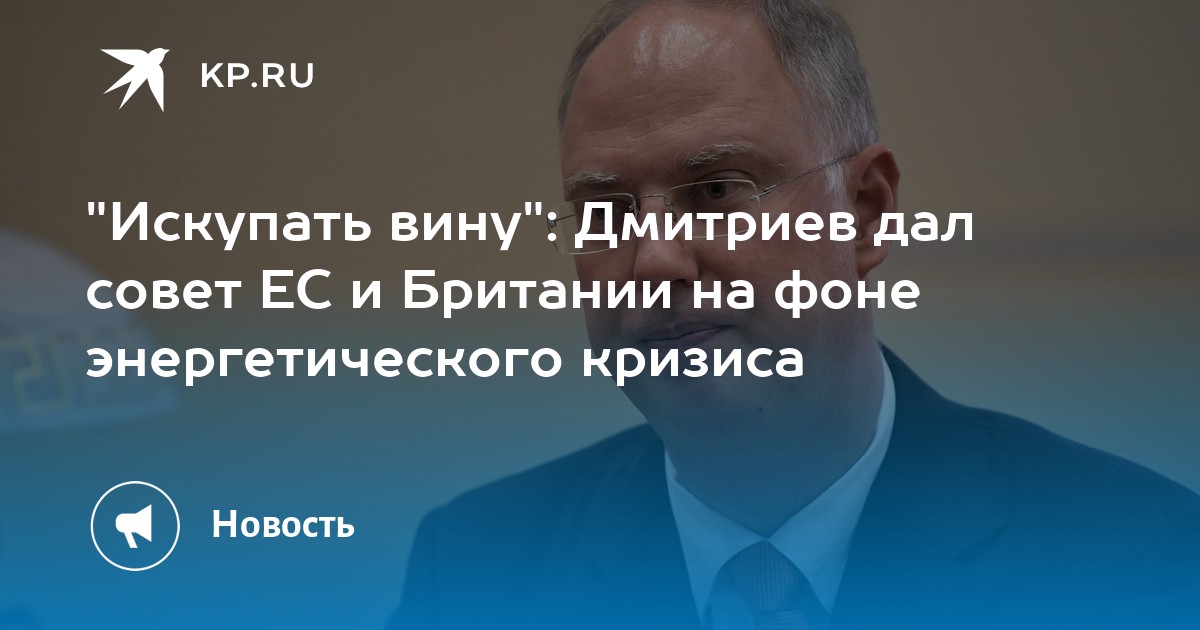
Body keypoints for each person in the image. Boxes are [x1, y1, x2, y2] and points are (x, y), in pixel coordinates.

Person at [392, 1, 1200, 628]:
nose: (655, 262)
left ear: (866, 211)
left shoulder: (1128, 558)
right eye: (604, 212)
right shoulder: (470, 570)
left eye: (718, 190)